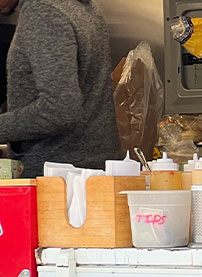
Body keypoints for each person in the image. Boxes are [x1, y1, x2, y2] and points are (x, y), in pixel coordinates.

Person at [0, 0, 121, 176]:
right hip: (89, 171)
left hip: (59, 177)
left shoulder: (43, 11)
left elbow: (59, 109)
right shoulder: (79, 6)